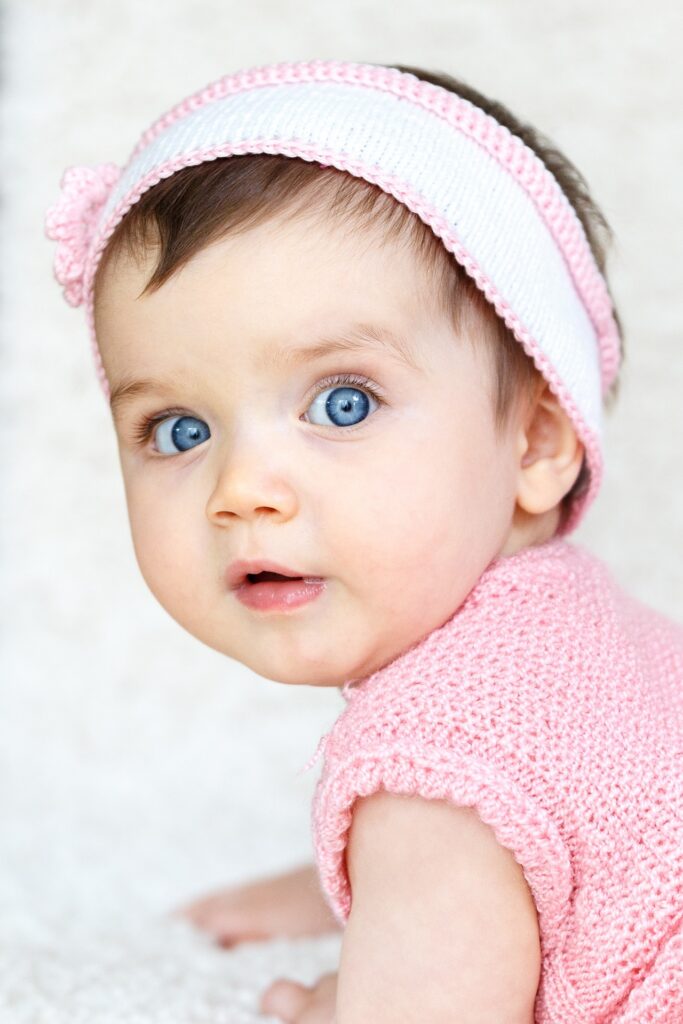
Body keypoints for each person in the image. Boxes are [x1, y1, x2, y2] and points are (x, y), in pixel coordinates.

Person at [44, 59, 682, 1023]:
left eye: (343, 404)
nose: (241, 490)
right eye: (180, 429)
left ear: (536, 443)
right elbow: (561, 838)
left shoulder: (433, 769)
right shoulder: (582, 639)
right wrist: (347, 884)